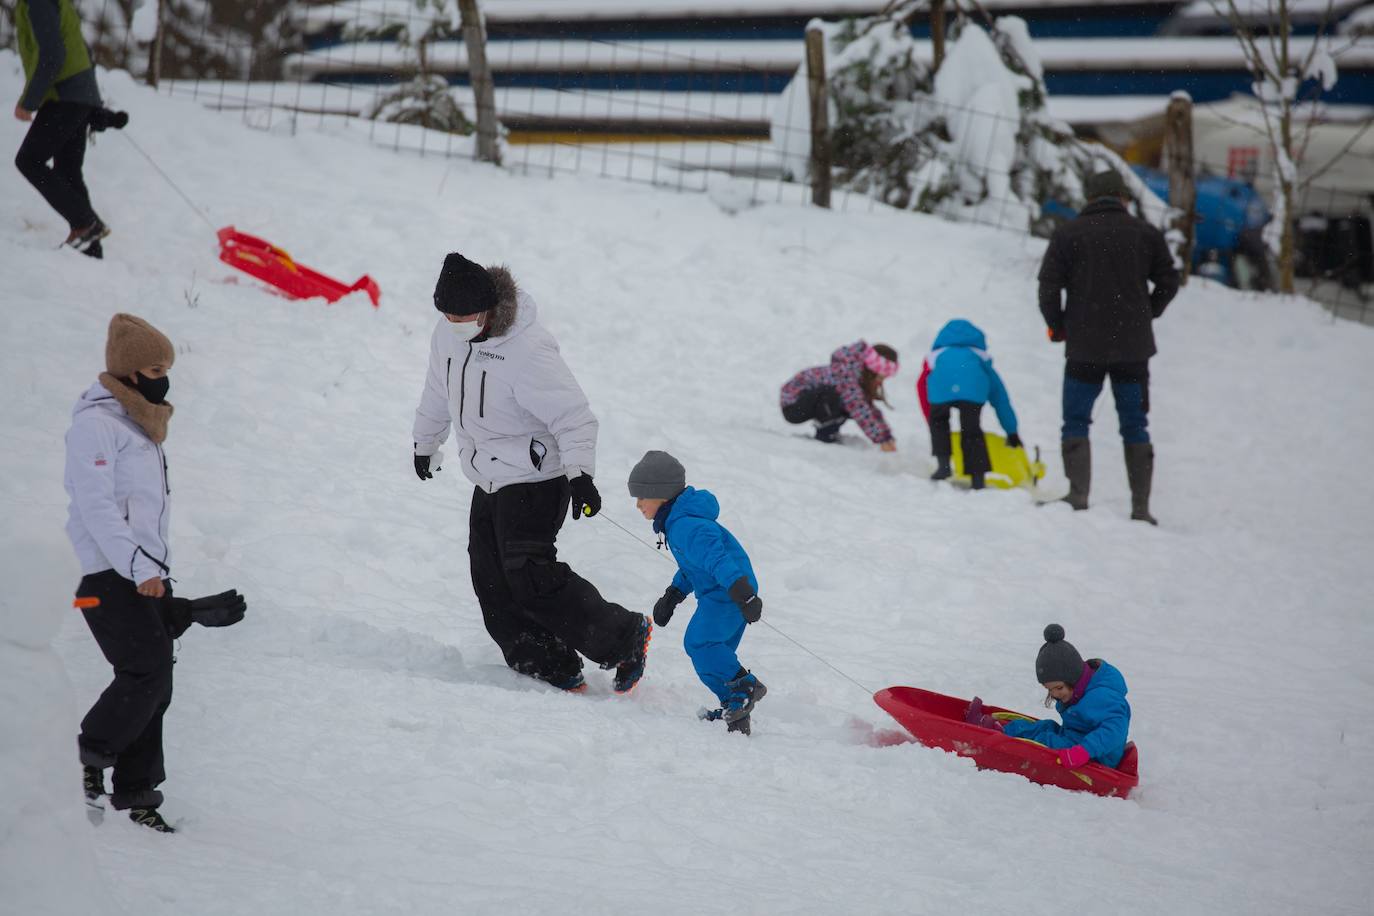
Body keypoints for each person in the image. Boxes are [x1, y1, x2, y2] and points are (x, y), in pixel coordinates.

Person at [413, 253, 652, 694]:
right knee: (489, 578)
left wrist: (581, 475)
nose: (453, 322)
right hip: (486, 475)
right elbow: (436, 390)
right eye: (447, 315)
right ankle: (543, 658)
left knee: (530, 575)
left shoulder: (526, 350)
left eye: (462, 316)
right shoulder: (447, 337)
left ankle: (624, 636)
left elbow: (575, 417)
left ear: (485, 310)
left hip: (536, 477)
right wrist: (426, 442)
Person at [65, 314, 247, 833]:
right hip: (101, 575)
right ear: (126, 371)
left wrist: (173, 602)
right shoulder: (96, 427)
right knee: (144, 669)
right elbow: (98, 508)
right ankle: (84, 759)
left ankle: (137, 792)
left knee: (156, 679)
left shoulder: (137, 430)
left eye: (166, 367)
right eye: (152, 366)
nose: (161, 377)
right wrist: (139, 568)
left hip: (137, 573)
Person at [1038, 169, 1180, 524]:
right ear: (1123, 198)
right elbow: (1169, 280)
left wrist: (1057, 326)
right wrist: (1149, 311)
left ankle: (1077, 495)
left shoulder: (1068, 235)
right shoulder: (1145, 235)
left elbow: (1048, 288)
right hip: (1132, 350)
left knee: (1075, 418)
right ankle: (1140, 507)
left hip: (1084, 347)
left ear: (1089, 198)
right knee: (1135, 424)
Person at [627, 451, 767, 736]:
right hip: (723, 591)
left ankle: (745, 686)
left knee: (700, 643)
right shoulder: (679, 523)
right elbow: (695, 566)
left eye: (642, 497)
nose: (638, 505)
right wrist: (674, 594)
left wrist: (743, 594)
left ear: (661, 494)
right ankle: (735, 707)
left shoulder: (687, 526)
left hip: (729, 592)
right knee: (710, 651)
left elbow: (717, 560)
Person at [13, 0, 111, 257]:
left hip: (65, 94)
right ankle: (90, 250)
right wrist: (93, 101)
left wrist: (29, 101)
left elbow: (53, 54)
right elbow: (82, 48)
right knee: (68, 171)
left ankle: (85, 223)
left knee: (29, 160)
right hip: (78, 94)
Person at [966, 624, 1130, 769]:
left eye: (1058, 688)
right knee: (1044, 726)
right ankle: (999, 730)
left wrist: (1085, 750)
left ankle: (1006, 743)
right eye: (1049, 689)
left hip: (1096, 756)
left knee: (1048, 740)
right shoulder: (1080, 689)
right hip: (1075, 739)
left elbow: (1114, 731)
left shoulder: (1102, 696)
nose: (1054, 694)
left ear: (1074, 678)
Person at [916, 319, 1020, 489]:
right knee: (971, 430)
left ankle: (944, 467)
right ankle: (977, 477)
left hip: (941, 390)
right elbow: (1000, 396)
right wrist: (1011, 431)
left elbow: (922, 385)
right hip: (973, 389)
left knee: (939, 422)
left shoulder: (936, 356)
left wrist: (930, 417)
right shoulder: (979, 357)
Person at [780, 341, 899, 449]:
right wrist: (882, 440)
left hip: (805, 403)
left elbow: (868, 409)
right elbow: (859, 410)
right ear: (872, 370)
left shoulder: (857, 377)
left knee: (849, 402)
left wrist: (887, 436)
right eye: (880, 377)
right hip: (793, 405)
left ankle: (829, 432)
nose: (880, 382)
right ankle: (826, 436)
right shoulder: (847, 374)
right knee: (837, 396)